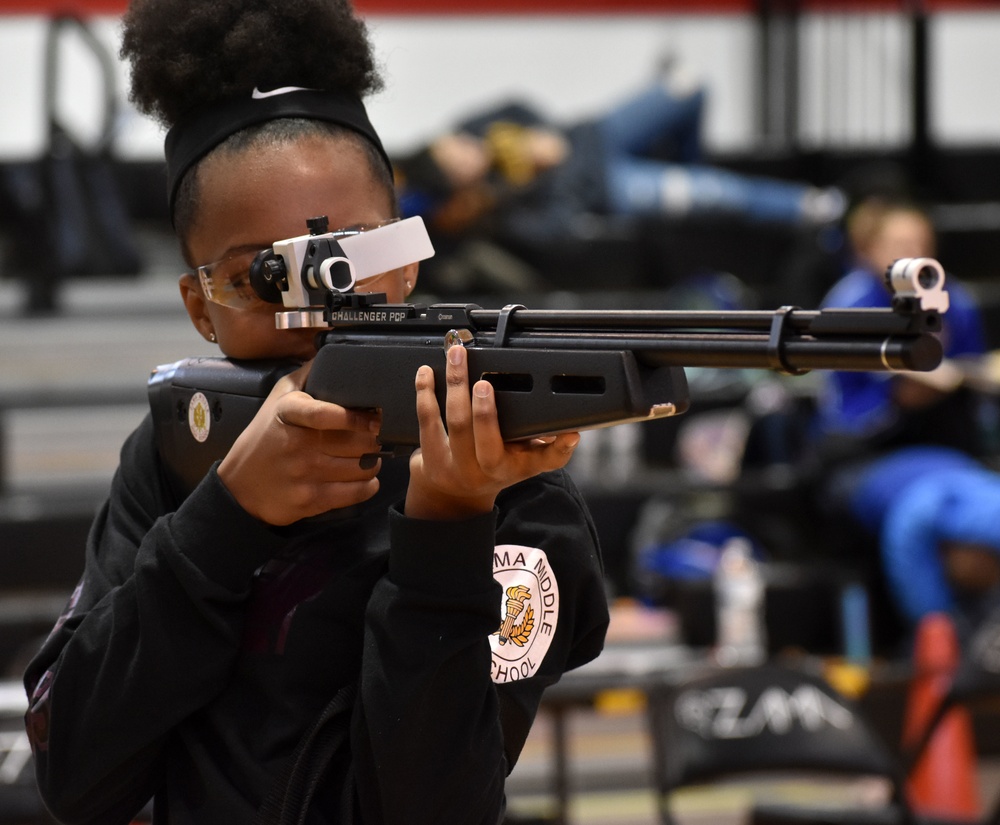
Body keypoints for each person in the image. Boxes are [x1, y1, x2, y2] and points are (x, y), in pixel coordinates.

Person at [21, 2, 610, 823]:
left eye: (355, 259)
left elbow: (427, 805)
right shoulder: (176, 456)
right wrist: (224, 522)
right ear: (200, 307)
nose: (317, 312)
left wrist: (447, 525)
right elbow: (76, 774)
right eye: (265, 278)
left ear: (405, 264)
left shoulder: (513, 488)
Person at [814, 195, 998, 649]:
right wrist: (897, 401)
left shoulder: (955, 299)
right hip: (868, 460)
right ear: (868, 250)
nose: (914, 253)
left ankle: (944, 646)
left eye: (921, 242)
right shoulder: (850, 304)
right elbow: (837, 417)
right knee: (924, 510)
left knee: (943, 525)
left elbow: (973, 386)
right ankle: (941, 647)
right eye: (900, 244)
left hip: (949, 456)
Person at [394, 71, 847, 253]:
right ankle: (813, 206)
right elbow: (559, 227)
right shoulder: (497, 212)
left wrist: (544, 136)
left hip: (597, 132)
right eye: (457, 164)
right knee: (715, 194)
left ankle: (690, 165)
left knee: (687, 86)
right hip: (610, 187)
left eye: (453, 147)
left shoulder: (474, 125)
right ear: (460, 186)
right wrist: (548, 170)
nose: (464, 151)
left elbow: (519, 105)